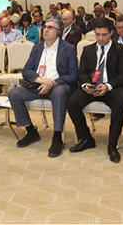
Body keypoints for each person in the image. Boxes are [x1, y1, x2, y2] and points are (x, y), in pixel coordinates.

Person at [8, 19, 78, 157]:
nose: (45, 29)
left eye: (50, 27)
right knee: (14, 94)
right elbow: (27, 70)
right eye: (45, 27)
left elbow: (73, 75)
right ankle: (31, 131)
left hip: (58, 85)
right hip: (37, 85)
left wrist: (51, 83)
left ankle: (57, 136)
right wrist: (41, 80)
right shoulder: (37, 48)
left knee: (59, 93)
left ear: (58, 32)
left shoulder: (68, 48)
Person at [67, 17, 123, 163]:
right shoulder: (87, 50)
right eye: (97, 34)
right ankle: (86, 138)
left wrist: (107, 86)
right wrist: (86, 85)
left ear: (111, 33)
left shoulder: (120, 49)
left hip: (112, 87)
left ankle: (112, 144)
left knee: (120, 103)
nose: (100, 38)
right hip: (92, 87)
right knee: (71, 103)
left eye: (104, 34)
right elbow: (81, 73)